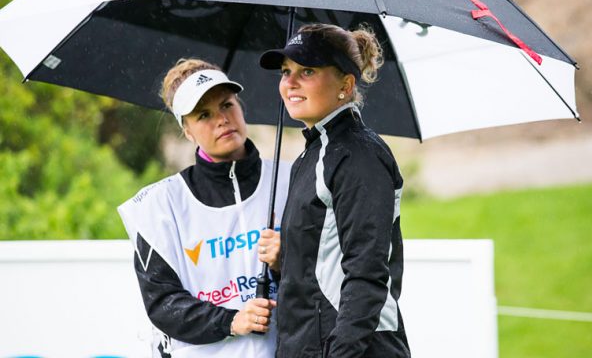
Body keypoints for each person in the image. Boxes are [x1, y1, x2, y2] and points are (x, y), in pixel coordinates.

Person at [117, 58, 289, 358]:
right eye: (203, 115)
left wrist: (284, 262)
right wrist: (232, 321)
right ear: (188, 131)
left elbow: (323, 280)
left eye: (227, 105)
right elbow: (163, 303)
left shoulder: (291, 179)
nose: (221, 119)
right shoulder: (159, 206)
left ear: (240, 107)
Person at [260, 24, 411, 357]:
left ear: (346, 84)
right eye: (286, 72)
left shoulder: (359, 155)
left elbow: (367, 273)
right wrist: (285, 258)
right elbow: (328, 259)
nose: (290, 83)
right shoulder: (312, 154)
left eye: (307, 70)